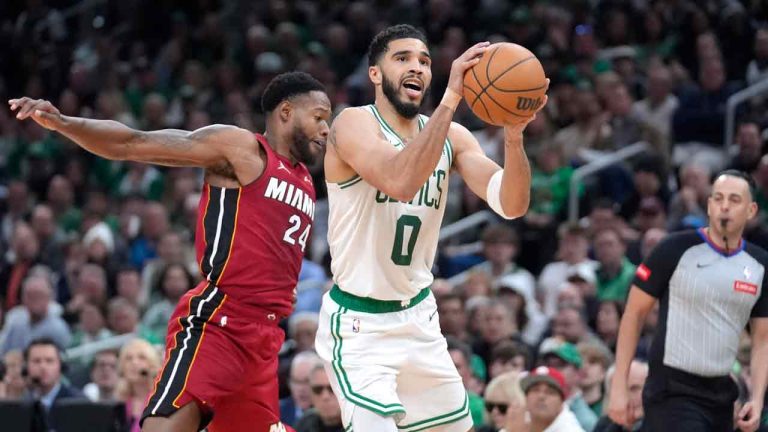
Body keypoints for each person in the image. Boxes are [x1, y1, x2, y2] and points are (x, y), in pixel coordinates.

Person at [10, 70, 332, 432]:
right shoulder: (241, 150)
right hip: (221, 323)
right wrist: (65, 122)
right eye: (319, 117)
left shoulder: (306, 180)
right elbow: (133, 142)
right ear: (286, 112)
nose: (325, 129)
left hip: (265, 341)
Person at [316, 24, 545, 432]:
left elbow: (512, 205)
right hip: (359, 327)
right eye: (402, 58)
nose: (417, 68)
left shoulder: (453, 137)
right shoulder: (352, 124)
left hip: (419, 320)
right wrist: (452, 98)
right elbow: (400, 182)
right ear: (374, 73)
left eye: (424, 61)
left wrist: (513, 136)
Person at [608, 170, 768, 432]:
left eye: (734, 199)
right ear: (709, 205)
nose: (724, 206)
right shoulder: (672, 249)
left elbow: (763, 339)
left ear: (751, 210)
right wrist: (618, 386)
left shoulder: (761, 264)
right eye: (718, 198)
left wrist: (757, 398)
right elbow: (634, 315)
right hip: (671, 391)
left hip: (722, 394)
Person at [24, 338, 87, 427]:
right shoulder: (23, 403)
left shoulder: (78, 403)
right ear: (26, 367)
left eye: (49, 361)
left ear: (60, 366)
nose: (43, 367)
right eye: (36, 361)